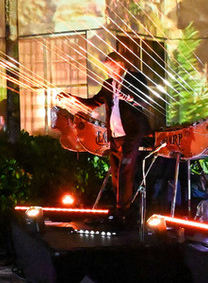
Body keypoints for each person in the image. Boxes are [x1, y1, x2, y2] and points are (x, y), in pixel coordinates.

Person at [57, 52, 152, 221]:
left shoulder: (134, 78)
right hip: (115, 134)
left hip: (132, 131)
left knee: (125, 169)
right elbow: (93, 102)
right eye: (107, 67)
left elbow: (144, 100)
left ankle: (123, 210)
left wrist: (130, 98)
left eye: (111, 67)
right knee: (116, 172)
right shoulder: (108, 84)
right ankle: (120, 209)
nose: (108, 71)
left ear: (120, 65)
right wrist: (71, 99)